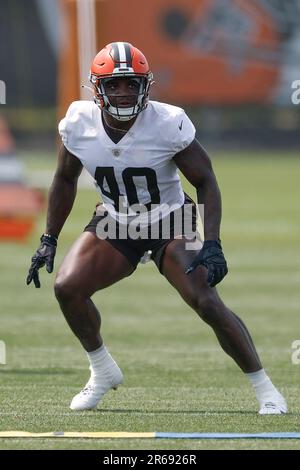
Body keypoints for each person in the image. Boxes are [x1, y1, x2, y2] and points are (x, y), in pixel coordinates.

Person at [27, 42, 287, 414]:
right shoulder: (78, 123)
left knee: (205, 301)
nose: (123, 92)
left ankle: (265, 388)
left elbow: (206, 181)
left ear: (145, 85)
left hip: (171, 220)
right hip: (116, 221)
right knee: (68, 288)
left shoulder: (167, 123)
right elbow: (64, 180)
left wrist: (212, 241)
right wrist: (49, 238)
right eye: (114, 84)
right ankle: (102, 371)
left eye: (131, 84)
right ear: (96, 88)